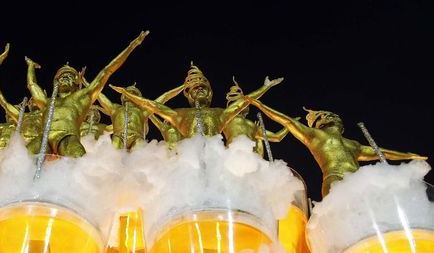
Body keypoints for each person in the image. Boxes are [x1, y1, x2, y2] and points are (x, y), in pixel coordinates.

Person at [246, 96, 427, 196]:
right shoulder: (317, 136)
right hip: (335, 178)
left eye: (336, 116)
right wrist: (259, 104)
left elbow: (384, 153)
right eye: (330, 116)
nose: (336, 118)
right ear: (322, 122)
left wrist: (409, 155)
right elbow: (287, 121)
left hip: (359, 180)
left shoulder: (353, 144)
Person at [24, 31, 148, 157]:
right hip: (44, 138)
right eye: (61, 76)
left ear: (77, 83)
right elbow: (32, 85)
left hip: (67, 137)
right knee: (23, 158)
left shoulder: (81, 99)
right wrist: (30, 67)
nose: (64, 78)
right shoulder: (47, 101)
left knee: (80, 160)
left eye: (70, 76)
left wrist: (131, 46)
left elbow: (107, 71)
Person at [111, 64, 281, 139]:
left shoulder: (219, 114)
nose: (199, 89)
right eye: (195, 88)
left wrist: (265, 87)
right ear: (189, 95)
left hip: (216, 158)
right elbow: (153, 105)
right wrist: (132, 97)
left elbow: (242, 102)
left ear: (209, 93)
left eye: (203, 87)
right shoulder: (180, 114)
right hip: (190, 161)